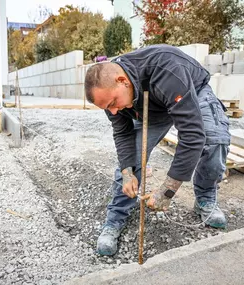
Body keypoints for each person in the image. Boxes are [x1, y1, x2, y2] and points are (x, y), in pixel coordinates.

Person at [84, 44, 231, 256]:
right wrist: (127, 173)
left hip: (191, 92)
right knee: (133, 158)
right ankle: (115, 218)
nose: (113, 111)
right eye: (108, 108)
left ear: (122, 81)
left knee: (214, 139)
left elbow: (192, 135)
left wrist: (167, 190)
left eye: (113, 103)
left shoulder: (166, 69)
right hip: (152, 107)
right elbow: (123, 134)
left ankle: (205, 198)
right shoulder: (113, 100)